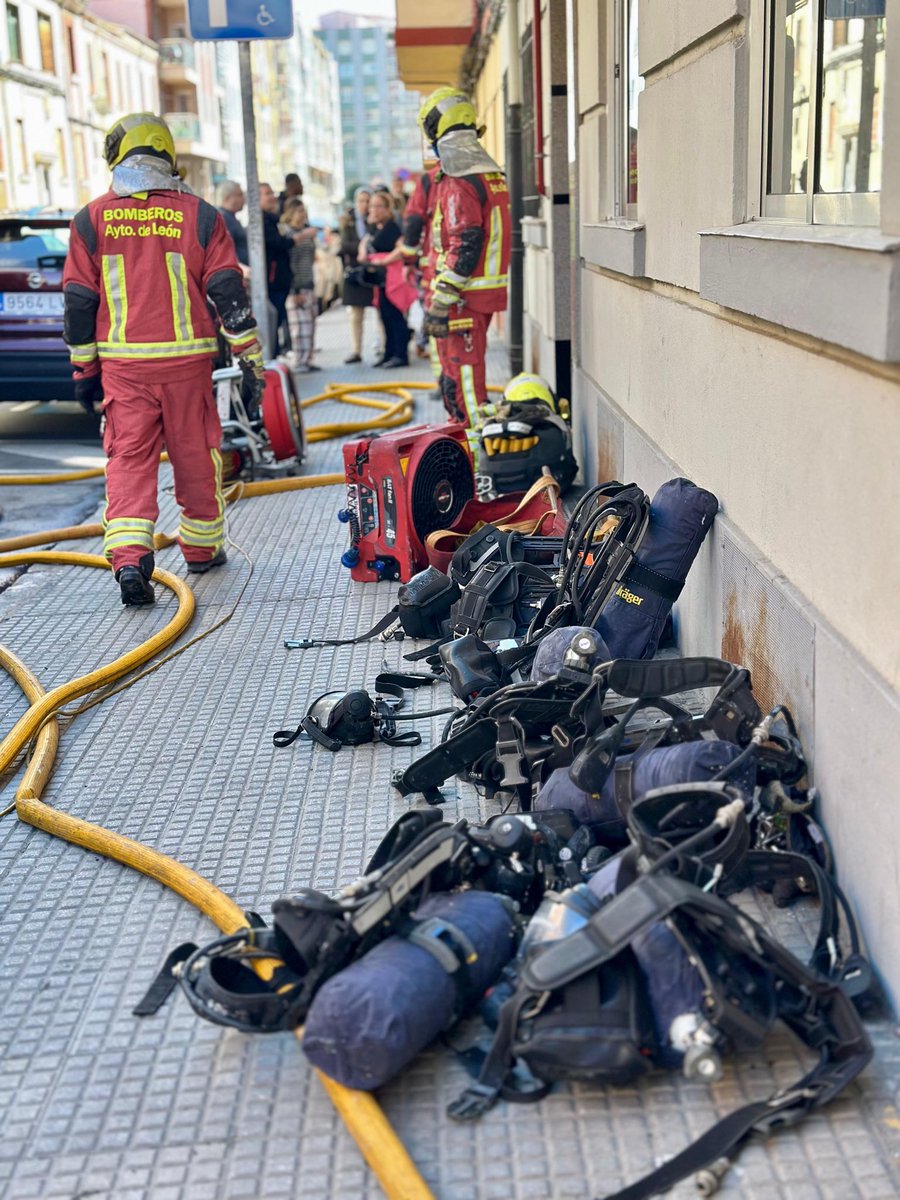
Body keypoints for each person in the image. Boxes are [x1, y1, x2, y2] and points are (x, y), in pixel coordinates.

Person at [62, 113, 264, 607]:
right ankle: (200, 548)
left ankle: (130, 558)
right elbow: (226, 289)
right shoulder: (200, 216)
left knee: (129, 460)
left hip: (124, 368)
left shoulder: (91, 219)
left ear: (118, 155)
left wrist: (84, 371)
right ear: (167, 155)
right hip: (188, 365)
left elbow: (78, 302)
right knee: (196, 453)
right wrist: (250, 357)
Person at [418, 87, 511, 429]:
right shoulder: (487, 173)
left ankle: (475, 461)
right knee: (460, 377)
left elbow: (465, 242)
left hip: (462, 299)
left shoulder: (459, 179)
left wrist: (441, 301)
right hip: (478, 295)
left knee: (465, 384)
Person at [358, 190, 409, 369]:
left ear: (388, 209)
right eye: (372, 206)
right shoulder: (374, 228)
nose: (374, 209)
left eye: (379, 206)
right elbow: (366, 246)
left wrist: (384, 261)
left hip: (392, 279)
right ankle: (389, 353)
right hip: (380, 280)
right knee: (384, 316)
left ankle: (400, 354)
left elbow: (402, 247)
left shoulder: (393, 227)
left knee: (395, 316)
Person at [283, 198, 320, 373]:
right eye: (299, 211)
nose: (303, 214)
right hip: (296, 285)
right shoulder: (289, 234)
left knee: (311, 325)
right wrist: (294, 289)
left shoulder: (307, 231)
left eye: (304, 211)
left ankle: (308, 359)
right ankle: (300, 360)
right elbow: (289, 262)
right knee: (300, 327)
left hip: (309, 282)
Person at [339, 187, 373, 364]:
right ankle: (356, 350)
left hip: (373, 270)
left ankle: (382, 347)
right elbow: (344, 245)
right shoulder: (348, 220)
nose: (365, 205)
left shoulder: (375, 218)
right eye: (361, 201)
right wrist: (363, 246)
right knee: (355, 314)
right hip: (354, 271)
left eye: (368, 201)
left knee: (381, 312)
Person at [259, 181, 294, 353]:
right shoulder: (261, 222)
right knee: (272, 322)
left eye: (272, 193)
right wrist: (296, 239)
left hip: (279, 280)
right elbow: (279, 243)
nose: (272, 197)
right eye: (267, 194)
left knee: (277, 320)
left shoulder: (273, 219)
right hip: (272, 282)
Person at [216, 179, 248, 266]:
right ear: (227, 198)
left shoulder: (230, 217)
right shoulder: (223, 218)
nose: (244, 198)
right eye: (240, 195)